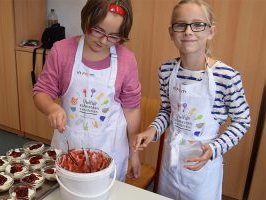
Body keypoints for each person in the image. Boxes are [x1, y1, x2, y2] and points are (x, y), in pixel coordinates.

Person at [134, 0, 251, 199]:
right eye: (181, 25)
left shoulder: (227, 76)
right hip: (171, 163)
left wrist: (215, 148)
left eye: (198, 24)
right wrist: (152, 130)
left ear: (211, 31)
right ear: (171, 33)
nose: (188, 31)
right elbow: (167, 111)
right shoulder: (166, 70)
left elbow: (243, 120)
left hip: (203, 168)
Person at [33, 0, 141, 181]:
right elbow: (41, 92)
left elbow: (131, 110)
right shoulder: (62, 51)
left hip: (110, 150)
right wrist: (51, 108)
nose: (103, 40)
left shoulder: (127, 60)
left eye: (113, 36)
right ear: (87, 19)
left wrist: (135, 154)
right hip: (70, 148)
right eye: (97, 30)